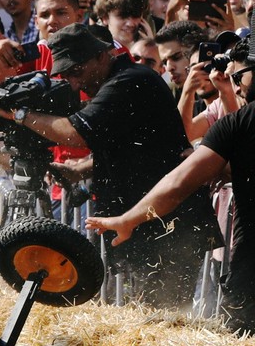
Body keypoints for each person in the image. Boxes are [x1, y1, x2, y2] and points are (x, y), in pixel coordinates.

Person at [0, 24, 218, 308]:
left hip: (166, 225)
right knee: (141, 310)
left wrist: (18, 114)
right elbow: (133, 145)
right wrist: (80, 170)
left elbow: (75, 134)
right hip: (146, 221)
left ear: (102, 56)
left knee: (162, 313)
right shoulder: (118, 81)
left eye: (76, 72)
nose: (74, 83)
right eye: (65, 75)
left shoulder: (130, 81)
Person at [87, 67, 255, 331]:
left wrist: (127, 220)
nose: (235, 86)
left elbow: (178, 185)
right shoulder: (238, 123)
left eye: (239, 76)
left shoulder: (242, 122)